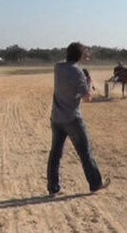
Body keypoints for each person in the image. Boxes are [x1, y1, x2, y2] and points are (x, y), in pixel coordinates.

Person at [47, 42, 109, 196]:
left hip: (57, 118)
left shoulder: (58, 67)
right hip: (73, 119)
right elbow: (87, 97)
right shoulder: (78, 73)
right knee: (85, 152)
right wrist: (89, 81)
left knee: (55, 154)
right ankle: (95, 183)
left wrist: (80, 57)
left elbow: (68, 61)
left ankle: (53, 188)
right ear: (80, 56)